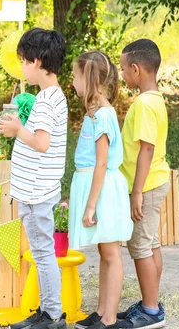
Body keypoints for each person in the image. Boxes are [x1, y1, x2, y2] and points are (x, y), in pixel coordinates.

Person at [0, 28, 68, 329]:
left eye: (24, 61)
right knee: (41, 253)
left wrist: (17, 130)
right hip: (34, 190)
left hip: (37, 192)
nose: (22, 68)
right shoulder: (49, 97)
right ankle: (46, 310)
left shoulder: (47, 100)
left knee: (42, 253)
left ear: (36, 61)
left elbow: (41, 142)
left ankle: (53, 315)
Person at [68, 51, 133, 329]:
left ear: (90, 78)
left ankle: (109, 317)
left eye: (75, 76)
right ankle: (101, 310)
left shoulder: (103, 115)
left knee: (111, 253)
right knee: (104, 253)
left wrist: (91, 204)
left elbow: (102, 162)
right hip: (95, 187)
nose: (72, 82)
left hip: (103, 191)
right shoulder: (95, 113)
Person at [116, 39, 170, 328]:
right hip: (154, 182)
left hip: (145, 186)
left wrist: (136, 191)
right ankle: (152, 301)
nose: (123, 75)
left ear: (136, 69)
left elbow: (146, 148)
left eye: (124, 69)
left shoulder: (144, 103)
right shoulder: (156, 99)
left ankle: (150, 312)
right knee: (150, 243)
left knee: (139, 247)